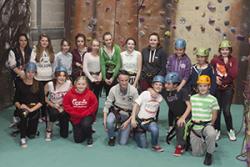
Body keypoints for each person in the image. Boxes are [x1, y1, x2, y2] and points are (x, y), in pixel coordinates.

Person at [211, 39, 238, 141]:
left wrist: (226, 65)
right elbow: (210, 71)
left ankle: (230, 129)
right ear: (219, 50)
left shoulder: (233, 60)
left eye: (227, 49)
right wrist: (215, 78)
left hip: (228, 89)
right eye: (222, 49)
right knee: (217, 110)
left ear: (230, 50)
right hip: (217, 89)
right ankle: (217, 129)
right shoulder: (215, 60)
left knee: (226, 110)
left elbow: (233, 74)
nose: (224, 51)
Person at [103, 70, 138, 146]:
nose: (124, 83)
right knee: (109, 122)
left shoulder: (133, 91)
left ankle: (125, 129)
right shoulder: (113, 89)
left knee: (122, 143)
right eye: (122, 80)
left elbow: (137, 109)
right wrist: (105, 120)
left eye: (126, 80)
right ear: (118, 80)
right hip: (116, 112)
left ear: (128, 80)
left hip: (128, 115)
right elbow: (107, 105)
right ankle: (112, 137)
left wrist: (128, 122)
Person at [189, 75, 219, 166]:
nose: (202, 88)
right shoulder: (193, 98)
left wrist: (211, 124)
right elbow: (188, 111)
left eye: (205, 86)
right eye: (200, 86)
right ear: (197, 87)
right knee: (197, 154)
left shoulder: (213, 99)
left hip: (206, 125)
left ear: (209, 86)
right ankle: (208, 143)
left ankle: (209, 154)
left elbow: (214, 114)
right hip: (195, 127)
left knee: (211, 133)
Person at [131, 75, 164, 152]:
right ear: (152, 85)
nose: (158, 86)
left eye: (160, 85)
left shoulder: (160, 98)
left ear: (162, 87)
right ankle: (135, 132)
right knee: (143, 146)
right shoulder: (145, 93)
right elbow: (136, 105)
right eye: (156, 84)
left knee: (155, 129)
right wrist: (133, 119)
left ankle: (155, 145)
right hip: (140, 122)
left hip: (150, 121)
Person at [14, 62, 44, 148]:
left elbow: (41, 102)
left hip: (34, 109)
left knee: (31, 135)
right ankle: (22, 138)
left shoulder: (39, 84)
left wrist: (31, 109)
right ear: (25, 72)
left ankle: (21, 126)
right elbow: (15, 100)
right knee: (24, 114)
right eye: (28, 72)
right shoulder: (20, 84)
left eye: (33, 72)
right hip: (23, 108)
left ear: (35, 73)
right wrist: (20, 106)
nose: (30, 74)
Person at [63, 76, 98, 147]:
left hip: (87, 116)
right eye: (79, 84)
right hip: (75, 117)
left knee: (85, 124)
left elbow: (94, 106)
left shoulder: (90, 94)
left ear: (86, 85)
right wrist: (75, 113)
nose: (81, 86)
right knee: (78, 140)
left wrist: (84, 114)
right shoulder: (69, 94)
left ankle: (89, 136)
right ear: (75, 84)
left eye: (83, 84)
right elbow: (66, 105)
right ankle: (83, 130)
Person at [5, 33, 32, 127]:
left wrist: (27, 75)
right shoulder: (13, 51)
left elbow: (31, 63)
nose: (23, 42)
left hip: (28, 77)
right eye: (21, 40)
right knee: (19, 97)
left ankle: (26, 114)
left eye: (25, 40)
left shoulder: (30, 50)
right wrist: (21, 74)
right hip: (18, 78)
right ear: (18, 41)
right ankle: (16, 115)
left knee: (27, 96)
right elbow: (12, 65)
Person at [162, 72, 191, 156]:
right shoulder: (165, 91)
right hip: (177, 116)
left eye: (168, 83)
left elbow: (189, 106)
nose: (166, 85)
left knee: (180, 125)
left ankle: (180, 146)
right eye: (165, 83)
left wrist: (183, 118)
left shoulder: (182, 91)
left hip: (187, 115)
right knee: (179, 123)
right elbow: (154, 90)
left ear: (175, 85)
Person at [166, 38, 191, 133]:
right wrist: (171, 84)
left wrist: (180, 86)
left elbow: (187, 75)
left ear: (184, 49)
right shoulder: (171, 58)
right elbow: (168, 70)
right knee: (171, 105)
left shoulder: (187, 60)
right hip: (172, 85)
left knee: (181, 105)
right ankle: (170, 125)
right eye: (177, 49)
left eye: (181, 50)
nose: (178, 51)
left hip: (183, 86)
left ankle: (181, 121)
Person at [30, 33, 55, 121]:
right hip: (38, 78)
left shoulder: (51, 51)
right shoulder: (35, 50)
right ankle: (38, 115)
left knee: (46, 98)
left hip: (48, 78)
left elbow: (53, 64)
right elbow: (32, 63)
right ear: (39, 41)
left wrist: (53, 73)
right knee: (39, 97)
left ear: (49, 42)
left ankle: (45, 115)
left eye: (46, 41)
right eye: (42, 40)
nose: (44, 42)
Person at [44, 66, 72, 141]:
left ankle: (62, 127)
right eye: (59, 75)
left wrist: (63, 106)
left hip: (64, 105)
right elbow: (44, 97)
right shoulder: (49, 84)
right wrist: (52, 105)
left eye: (64, 76)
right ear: (56, 76)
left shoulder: (69, 83)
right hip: (52, 104)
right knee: (53, 113)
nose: (62, 78)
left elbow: (71, 97)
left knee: (64, 135)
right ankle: (49, 129)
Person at [83, 39, 102, 118]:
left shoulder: (101, 56)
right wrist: (91, 79)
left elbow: (102, 68)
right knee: (87, 96)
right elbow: (85, 68)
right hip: (89, 78)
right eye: (94, 45)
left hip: (98, 78)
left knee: (96, 97)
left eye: (97, 45)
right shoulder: (87, 55)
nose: (96, 47)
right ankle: (87, 113)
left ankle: (94, 114)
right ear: (91, 46)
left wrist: (100, 76)